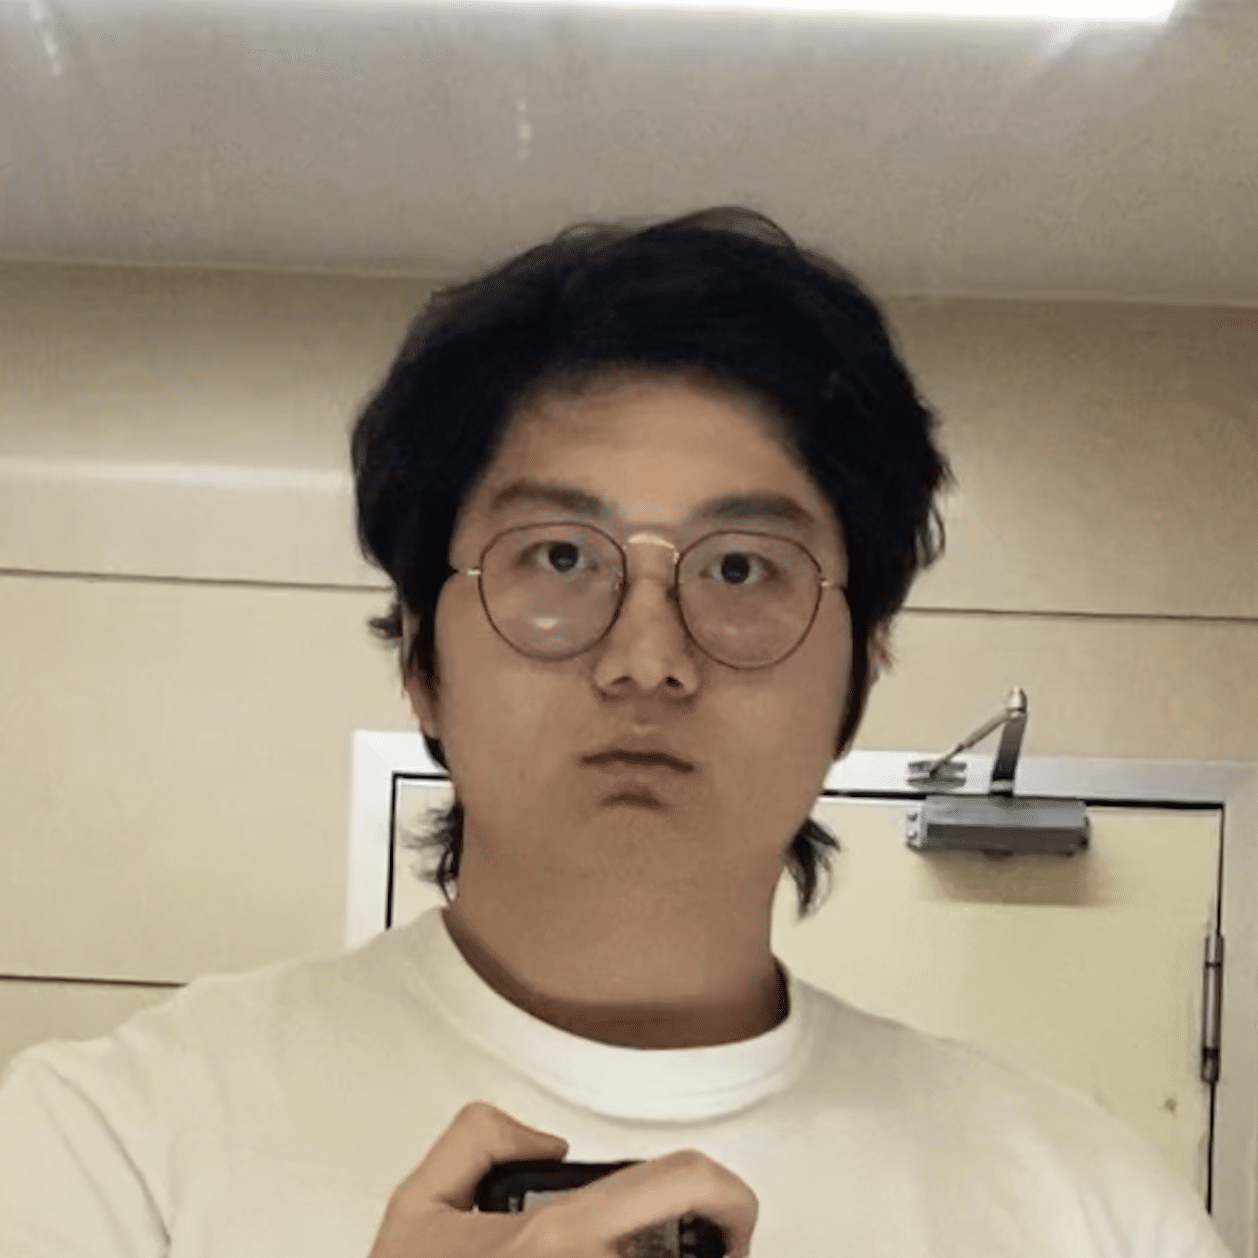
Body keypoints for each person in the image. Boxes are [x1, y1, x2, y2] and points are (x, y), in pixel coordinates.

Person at [0, 208, 1230, 1258]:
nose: (648, 656)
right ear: (421, 656)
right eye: (558, 557)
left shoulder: (1091, 1209)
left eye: (741, 567)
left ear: (861, 666)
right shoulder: (107, 1148)